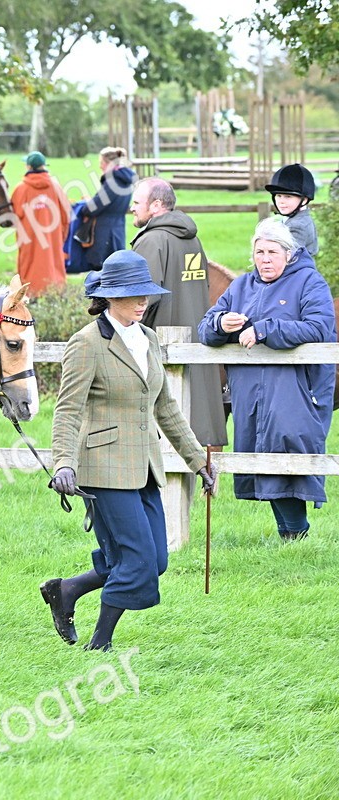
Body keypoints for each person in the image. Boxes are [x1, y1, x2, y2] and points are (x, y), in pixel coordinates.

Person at [42, 250, 216, 652]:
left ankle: (66, 590)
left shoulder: (149, 339)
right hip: (101, 469)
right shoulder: (86, 344)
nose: (143, 301)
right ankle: (99, 644)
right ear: (109, 296)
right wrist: (64, 463)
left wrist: (196, 461)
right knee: (137, 561)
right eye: (134, 294)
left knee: (155, 562)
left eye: (146, 294)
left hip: (145, 468)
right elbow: (67, 410)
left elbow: (165, 407)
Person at [198, 218, 336, 541]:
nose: (265, 259)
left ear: (288, 254)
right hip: (251, 397)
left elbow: (318, 328)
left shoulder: (309, 283)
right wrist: (222, 324)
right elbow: (205, 328)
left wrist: (265, 329)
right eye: (259, 252)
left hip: (294, 393)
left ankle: (296, 536)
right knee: (264, 463)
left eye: (272, 252)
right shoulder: (241, 286)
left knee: (287, 458)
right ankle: (291, 539)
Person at [129, 177, 228, 448]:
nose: (132, 208)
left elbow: (143, 300)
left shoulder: (152, 241)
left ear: (157, 205)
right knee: (193, 431)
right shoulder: (193, 240)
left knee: (163, 439)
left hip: (163, 350)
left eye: (137, 202)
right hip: (198, 347)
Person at [10, 151, 71, 296]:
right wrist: (61, 236)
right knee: (53, 266)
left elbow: (13, 216)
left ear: (29, 166)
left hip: (29, 240)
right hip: (52, 239)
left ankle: (29, 294)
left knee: (29, 267)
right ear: (44, 166)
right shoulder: (55, 187)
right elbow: (66, 216)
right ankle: (55, 293)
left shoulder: (21, 189)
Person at [79, 147, 135, 271]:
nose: (100, 167)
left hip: (105, 235)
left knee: (103, 274)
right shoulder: (125, 180)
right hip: (118, 230)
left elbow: (91, 209)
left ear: (109, 163)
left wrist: (87, 203)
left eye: (101, 163)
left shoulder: (113, 182)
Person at [265, 163, 318, 256]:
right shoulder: (296, 218)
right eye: (278, 196)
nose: (281, 201)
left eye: (288, 196)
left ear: (304, 200)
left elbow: (288, 260)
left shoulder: (297, 226)